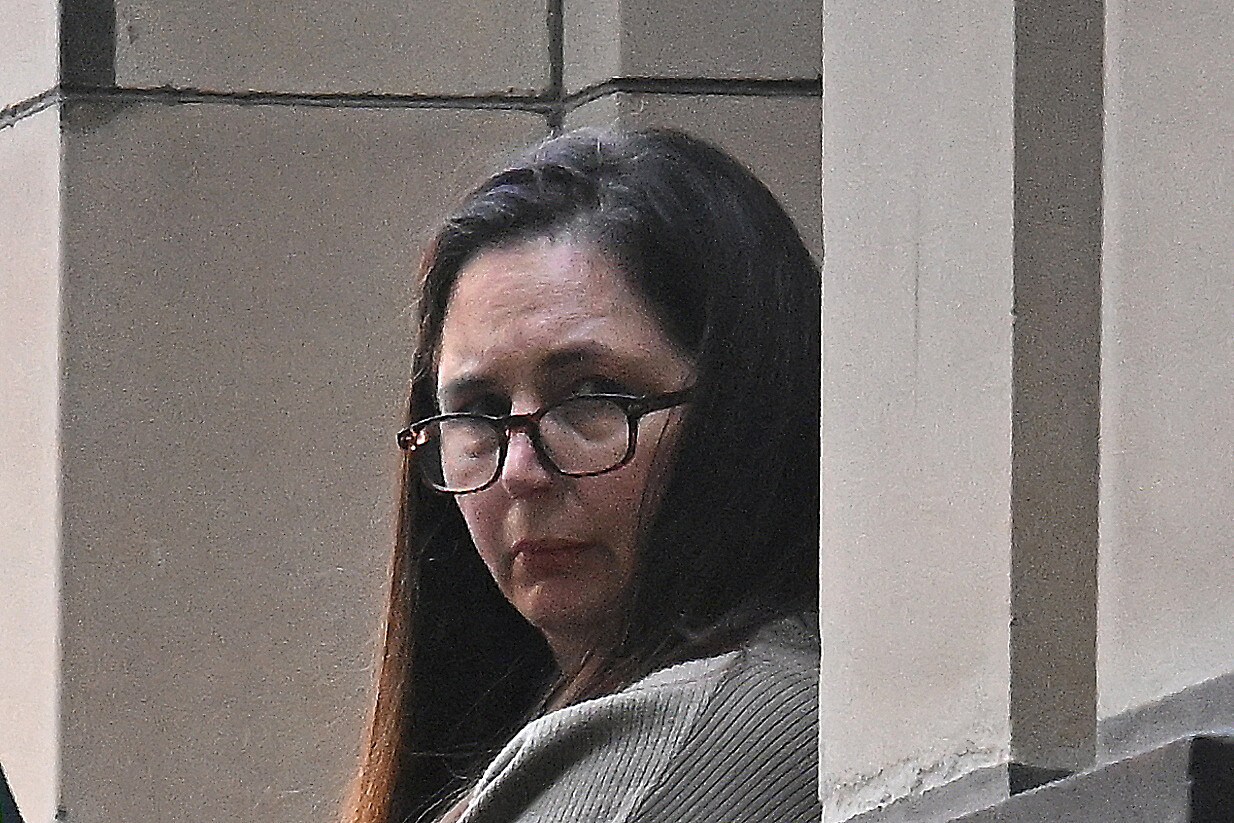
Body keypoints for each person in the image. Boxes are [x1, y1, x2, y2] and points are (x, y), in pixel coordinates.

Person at [344, 127, 821, 823]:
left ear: (745, 405)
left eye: (593, 394)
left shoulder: (736, 728)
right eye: (479, 412)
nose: (520, 471)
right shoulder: (550, 743)